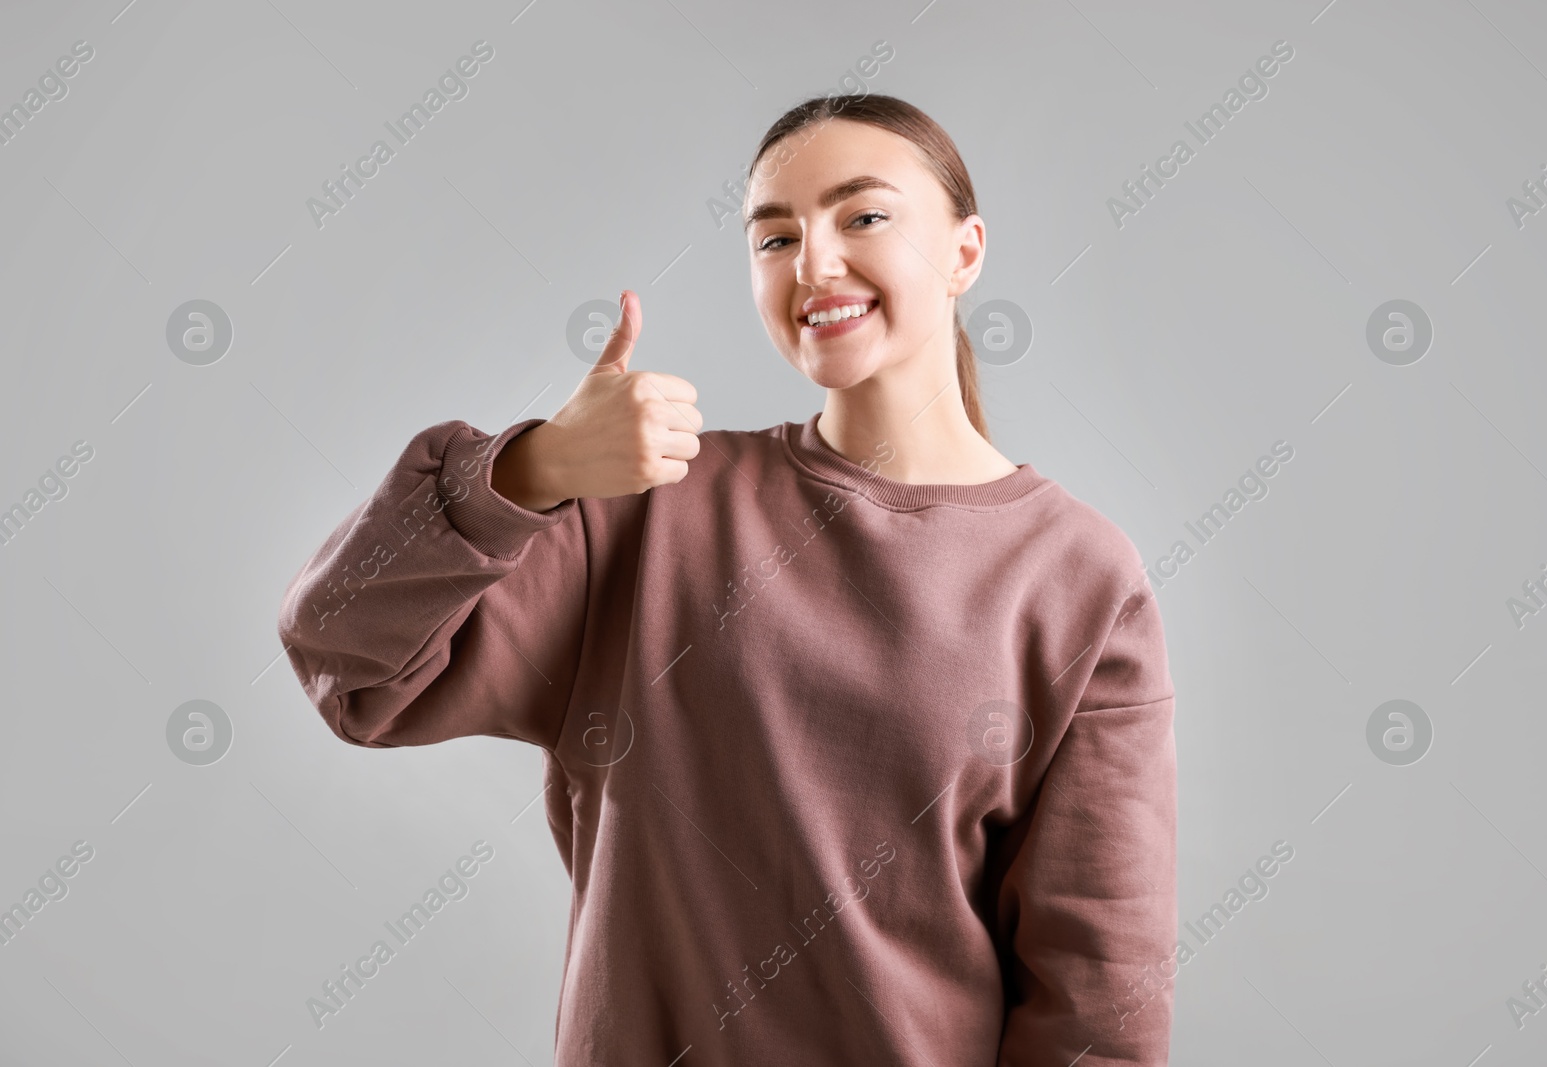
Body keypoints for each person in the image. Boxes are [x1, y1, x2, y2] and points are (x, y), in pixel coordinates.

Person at [277, 92, 1177, 1065]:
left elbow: (1098, 997)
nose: (814, 262)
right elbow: (347, 658)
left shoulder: (1078, 575)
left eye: (864, 215)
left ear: (965, 251)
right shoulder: (643, 509)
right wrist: (525, 473)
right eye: (774, 237)